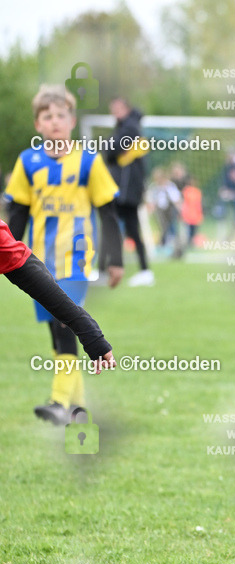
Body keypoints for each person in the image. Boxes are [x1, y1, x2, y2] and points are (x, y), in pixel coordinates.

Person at [4, 85, 124, 424]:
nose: (55, 122)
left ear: (71, 120)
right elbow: (17, 216)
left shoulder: (88, 160)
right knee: (60, 336)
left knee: (64, 322)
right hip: (38, 261)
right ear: (37, 124)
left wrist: (115, 259)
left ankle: (58, 402)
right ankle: (79, 409)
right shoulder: (28, 161)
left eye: (61, 115)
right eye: (47, 116)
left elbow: (108, 212)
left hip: (76, 258)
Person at [2, 220, 115, 373]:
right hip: (43, 253)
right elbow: (19, 211)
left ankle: (65, 396)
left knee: (60, 328)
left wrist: (85, 327)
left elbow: (18, 262)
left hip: (71, 257)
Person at [106, 96, 152, 287]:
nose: (114, 113)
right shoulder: (126, 127)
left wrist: (113, 150)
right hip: (125, 190)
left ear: (125, 108)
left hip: (126, 191)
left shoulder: (130, 127)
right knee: (118, 228)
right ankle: (136, 269)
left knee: (121, 227)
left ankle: (143, 270)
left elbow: (112, 150)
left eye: (117, 109)